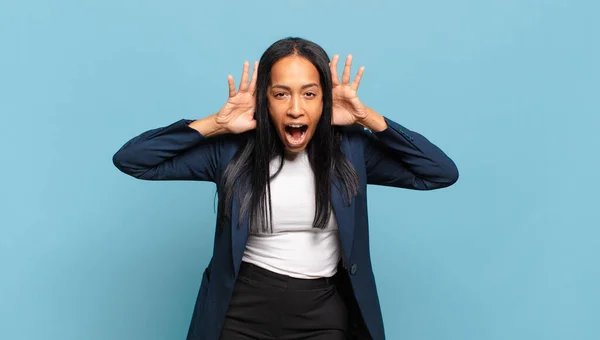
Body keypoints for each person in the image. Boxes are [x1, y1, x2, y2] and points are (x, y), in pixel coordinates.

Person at [113, 37, 459, 340]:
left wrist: (367, 117)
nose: (296, 108)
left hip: (322, 312)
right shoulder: (231, 151)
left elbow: (438, 172)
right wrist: (215, 124)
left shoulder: (352, 152)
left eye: (309, 94)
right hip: (241, 308)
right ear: (265, 100)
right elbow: (134, 159)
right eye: (281, 94)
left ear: (325, 100)